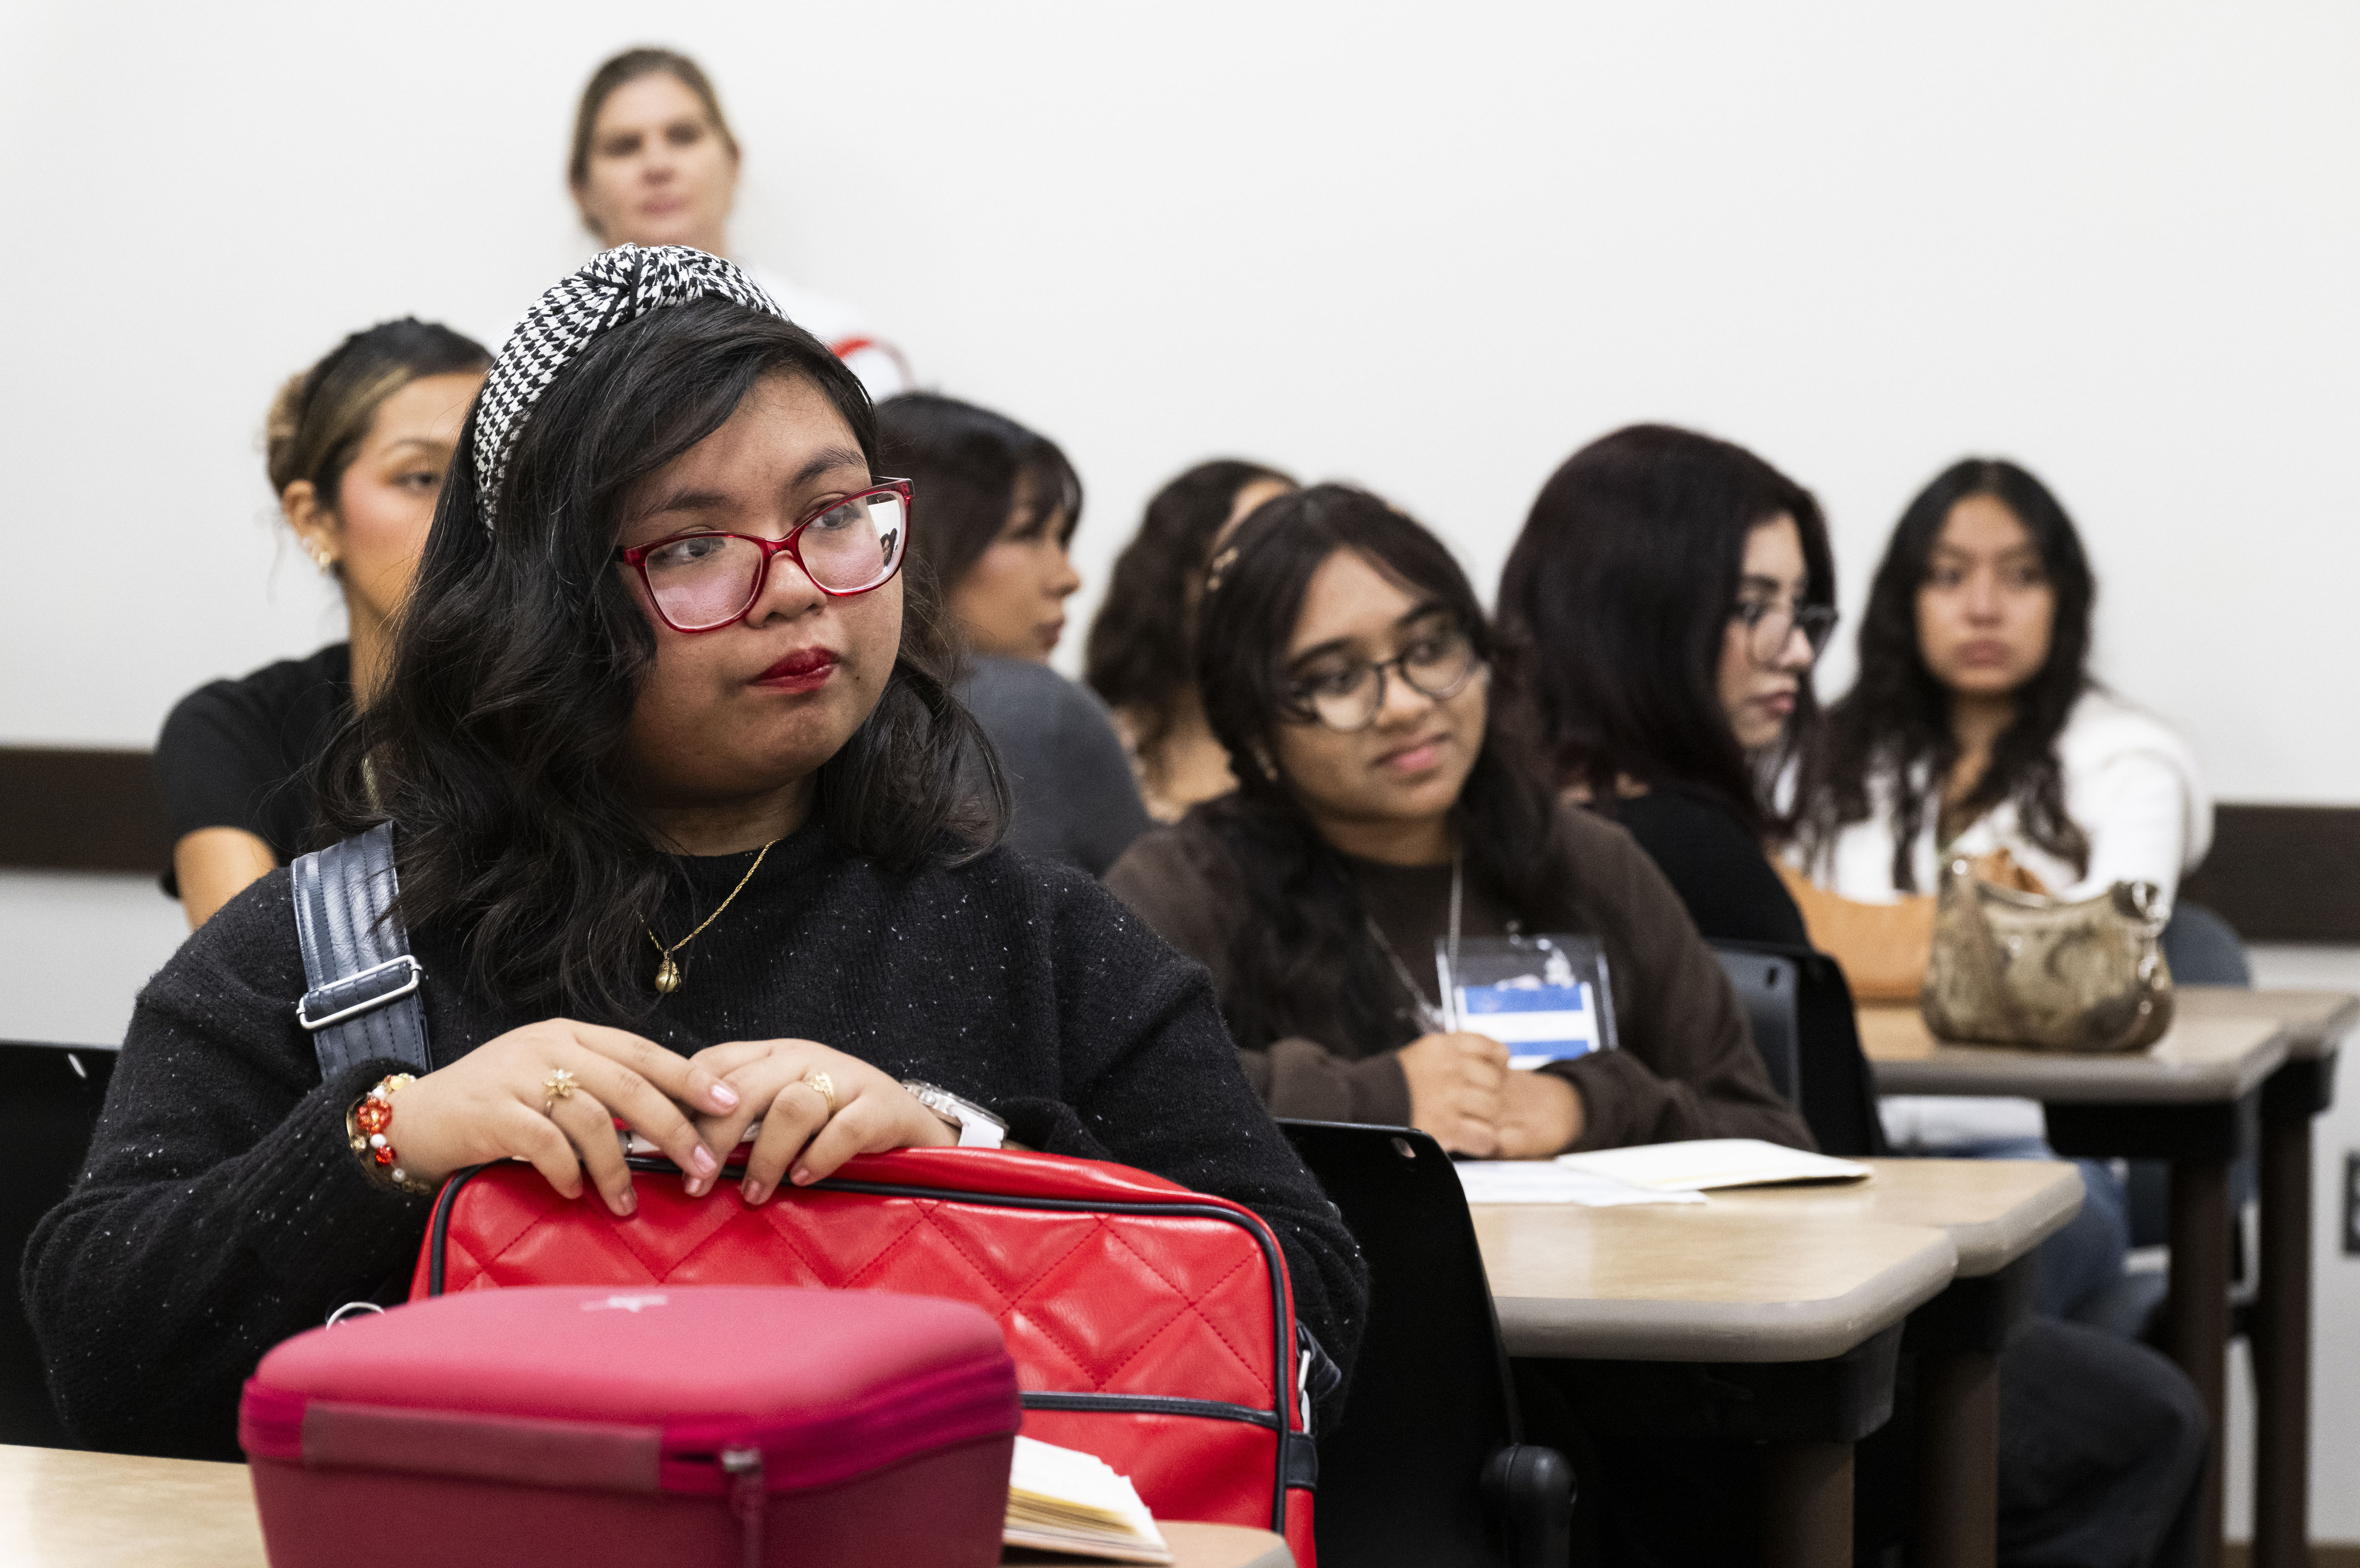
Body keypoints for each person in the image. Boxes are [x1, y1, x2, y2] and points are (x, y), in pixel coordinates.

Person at [25, 248, 1363, 1461]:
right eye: (697, 545)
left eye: (836, 514)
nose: (795, 585)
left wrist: (968, 1150)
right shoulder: (334, 943)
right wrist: (390, 1133)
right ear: (540, 604)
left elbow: (1309, 1320)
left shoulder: (1035, 937)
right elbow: (96, 1350)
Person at [1498, 425, 2204, 1568]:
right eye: (1752, 609)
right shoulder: (1700, 836)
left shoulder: (1505, 825)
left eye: (1800, 613)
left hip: (1549, 1379)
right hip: (1739, 1379)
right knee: (2147, 1418)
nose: (1790, 652)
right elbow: (1834, 1202)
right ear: (1643, 607)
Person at [1103, 482, 1808, 1157]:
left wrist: (1586, 1106)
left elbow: (1772, 1137)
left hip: (1609, 1280)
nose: (1407, 704)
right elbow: (1106, 1105)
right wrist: (1379, 1102)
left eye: (1429, 649)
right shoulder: (1184, 887)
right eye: (1338, 679)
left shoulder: (1588, 861)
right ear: (1256, 731)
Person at [1790, 460, 2212, 1160]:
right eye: (1949, 576)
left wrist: (1852, 946)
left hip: (2032, 1146)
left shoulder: (2134, 763)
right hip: (1848, 1141)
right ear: (1906, 598)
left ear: (2063, 599)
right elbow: (1778, 946)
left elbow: (2084, 969)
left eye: (2020, 577)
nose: (1983, 608)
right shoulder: (1826, 756)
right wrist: (2001, 931)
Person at [158, 319, 489, 929]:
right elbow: (247, 1000)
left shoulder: (573, 714)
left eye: (490, 476)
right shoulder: (236, 732)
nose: (463, 517)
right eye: (420, 478)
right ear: (314, 518)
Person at [874, 392, 1150, 876]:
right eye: (1026, 534)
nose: (1068, 578)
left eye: (1061, 539)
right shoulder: (1039, 710)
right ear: (917, 536)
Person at [568, 47, 909, 400]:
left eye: (684, 136)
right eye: (624, 147)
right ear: (580, 189)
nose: (657, 165)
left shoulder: (845, 360)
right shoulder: (516, 369)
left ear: (733, 164)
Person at [1085, 460, 1297, 821]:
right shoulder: (1097, 740)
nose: (1282, 576)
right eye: (1256, 549)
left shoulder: (1327, 732)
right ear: (1180, 576)